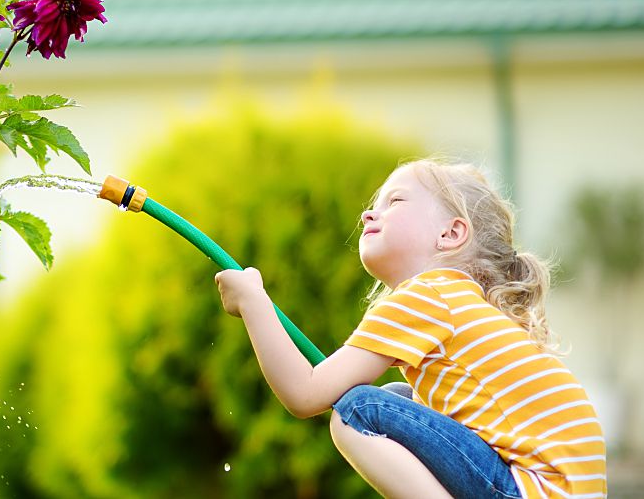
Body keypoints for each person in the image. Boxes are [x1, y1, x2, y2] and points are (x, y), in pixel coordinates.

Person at [215, 159, 606, 498]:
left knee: (359, 411)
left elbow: (304, 393)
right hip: (550, 486)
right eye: (373, 206)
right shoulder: (462, 303)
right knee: (399, 396)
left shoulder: (429, 294)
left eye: (395, 201)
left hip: (529, 489)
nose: (368, 214)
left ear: (450, 234)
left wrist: (253, 302)